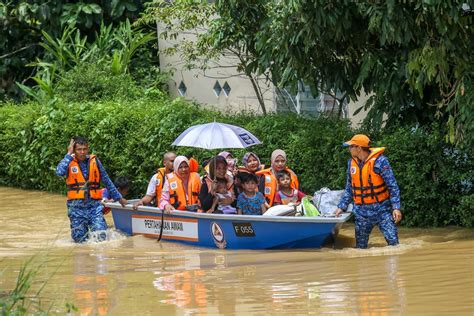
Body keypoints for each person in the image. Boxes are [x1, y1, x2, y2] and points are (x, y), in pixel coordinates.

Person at [335, 134, 402, 249]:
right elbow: (350, 188)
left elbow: (392, 186)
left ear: (359, 148)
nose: (349, 149)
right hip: (361, 211)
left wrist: (396, 207)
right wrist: (341, 207)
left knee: (394, 245)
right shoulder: (351, 163)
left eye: (351, 147)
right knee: (360, 248)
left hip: (382, 209)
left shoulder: (381, 161)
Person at [56, 137, 127, 243]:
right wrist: (68, 153)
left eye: (84, 149)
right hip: (76, 208)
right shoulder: (68, 161)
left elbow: (107, 181)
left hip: (94, 206)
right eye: (79, 149)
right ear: (74, 150)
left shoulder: (94, 161)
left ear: (88, 148)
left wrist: (119, 198)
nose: (82, 152)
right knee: (79, 240)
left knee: (101, 237)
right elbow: (59, 172)